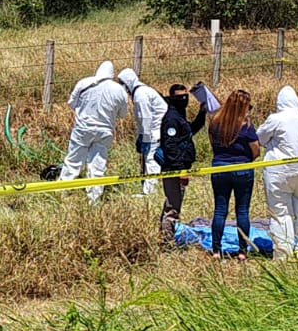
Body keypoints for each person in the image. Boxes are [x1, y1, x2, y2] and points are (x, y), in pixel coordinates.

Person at [256, 86, 298, 260]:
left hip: (278, 172)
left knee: (280, 212)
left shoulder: (275, 119)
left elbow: (260, 138)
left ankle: (283, 252)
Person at [58, 60, 131, 203]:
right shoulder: (119, 90)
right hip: (105, 131)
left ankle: (63, 192)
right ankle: (94, 198)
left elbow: (71, 103)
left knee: (73, 160)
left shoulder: (84, 83)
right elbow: (123, 114)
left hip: (83, 128)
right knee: (98, 164)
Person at [208, 89, 262, 256]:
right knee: (242, 211)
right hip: (242, 169)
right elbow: (256, 150)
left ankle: (216, 250)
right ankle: (242, 251)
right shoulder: (246, 126)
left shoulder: (215, 122)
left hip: (219, 168)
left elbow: (213, 146)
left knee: (220, 209)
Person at [157, 83, 207, 245]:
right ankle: (167, 242)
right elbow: (171, 146)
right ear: (172, 98)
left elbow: (188, 133)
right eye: (180, 97)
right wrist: (181, 171)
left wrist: (202, 114)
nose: (184, 99)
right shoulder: (171, 118)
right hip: (174, 169)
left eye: (186, 96)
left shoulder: (179, 114)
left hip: (180, 166)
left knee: (173, 203)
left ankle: (166, 236)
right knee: (172, 208)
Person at [119, 68, 167, 196]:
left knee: (151, 161)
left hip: (155, 131)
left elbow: (146, 118)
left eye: (121, 83)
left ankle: (149, 193)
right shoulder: (140, 92)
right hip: (154, 130)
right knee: (149, 161)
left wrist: (145, 138)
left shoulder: (141, 94)